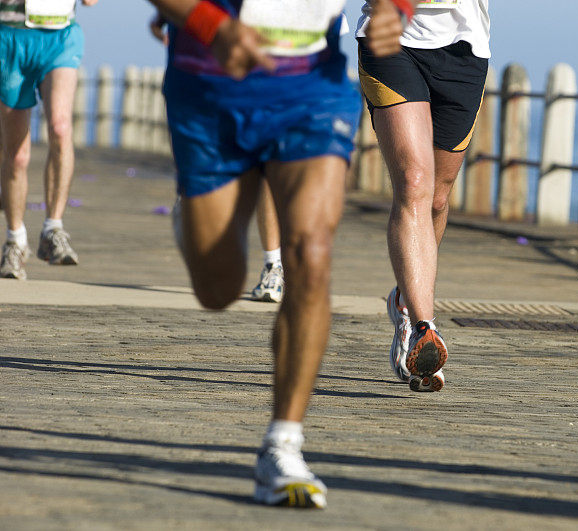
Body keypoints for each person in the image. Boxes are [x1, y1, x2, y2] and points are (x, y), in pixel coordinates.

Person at [145, 0, 410, 508]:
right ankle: (195, 217)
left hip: (311, 86)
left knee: (311, 251)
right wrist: (211, 24)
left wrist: (396, 8)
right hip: (210, 87)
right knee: (217, 289)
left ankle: (283, 444)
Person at [356, 0, 490, 392]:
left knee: (436, 198)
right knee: (414, 182)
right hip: (391, 40)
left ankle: (404, 299)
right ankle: (421, 327)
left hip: (465, 46)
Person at [150, 10, 284, 303]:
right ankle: (193, 203)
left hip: (277, 66)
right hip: (208, 68)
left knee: (270, 164)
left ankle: (274, 264)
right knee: (217, 285)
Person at [0, 0, 101, 280]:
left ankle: (53, 229)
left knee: (60, 126)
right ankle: (15, 239)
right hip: (9, 36)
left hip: (60, 35)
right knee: (17, 153)